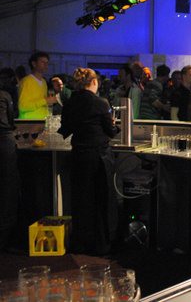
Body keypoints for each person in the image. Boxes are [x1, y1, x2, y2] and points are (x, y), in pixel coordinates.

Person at [58, 68, 119, 255]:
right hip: (98, 157)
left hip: (78, 156)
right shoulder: (101, 103)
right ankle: (100, 245)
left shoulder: (70, 103)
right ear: (93, 82)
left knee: (80, 200)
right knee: (101, 200)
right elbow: (111, 132)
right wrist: (114, 124)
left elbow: (65, 130)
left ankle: (80, 243)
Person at [0, 68, 19, 250]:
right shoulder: (5, 95)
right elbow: (12, 119)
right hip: (4, 141)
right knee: (8, 188)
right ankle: (5, 240)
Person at [18, 51, 57, 118]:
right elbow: (22, 106)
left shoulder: (44, 82)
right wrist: (45, 101)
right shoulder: (26, 81)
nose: (46, 65)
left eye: (47, 63)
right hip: (30, 122)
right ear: (34, 64)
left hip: (42, 121)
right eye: (42, 62)